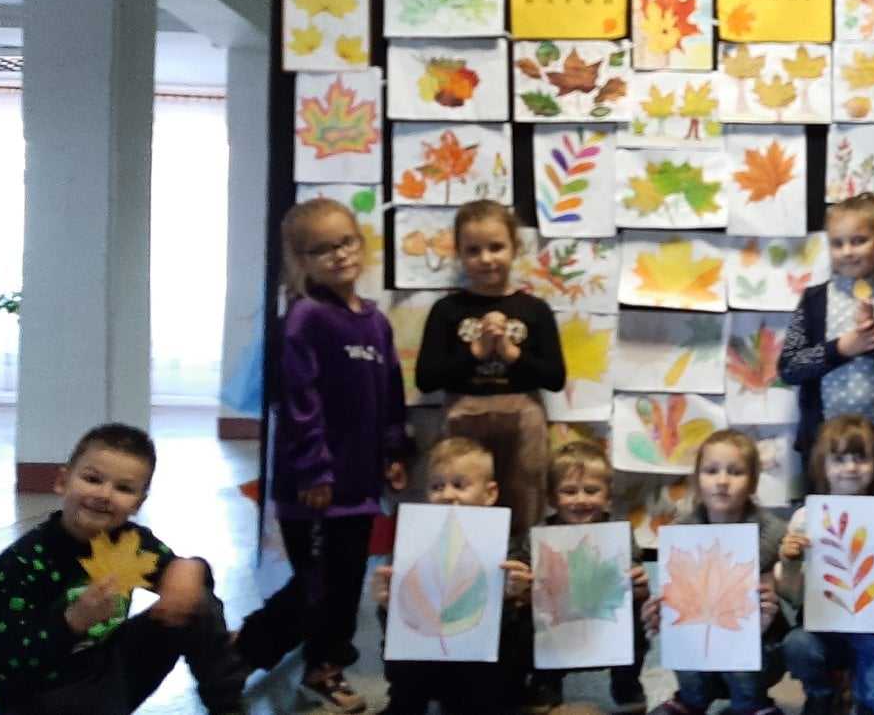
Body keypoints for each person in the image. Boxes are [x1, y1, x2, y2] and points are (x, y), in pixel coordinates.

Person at [235, 197, 410, 714]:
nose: (339, 254)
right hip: (312, 488)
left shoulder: (375, 322)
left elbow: (390, 393)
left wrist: (393, 451)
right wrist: (314, 469)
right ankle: (263, 659)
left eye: (346, 241)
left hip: (358, 486)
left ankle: (290, 659)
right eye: (322, 249)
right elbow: (299, 402)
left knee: (345, 584)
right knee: (315, 588)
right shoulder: (305, 319)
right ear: (301, 260)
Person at [0, 424, 245, 714]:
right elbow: (11, 662)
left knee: (196, 601)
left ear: (138, 503)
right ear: (62, 481)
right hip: (39, 693)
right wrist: (71, 622)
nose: (105, 494)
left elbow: (183, 583)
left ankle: (227, 707)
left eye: (123, 488)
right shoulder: (19, 565)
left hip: (108, 671)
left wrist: (190, 568)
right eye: (92, 479)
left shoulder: (131, 543)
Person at [416, 200, 564, 536]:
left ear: (515, 247)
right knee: (460, 517)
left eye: (496, 247)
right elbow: (427, 379)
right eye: (473, 250)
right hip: (462, 421)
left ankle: (518, 567)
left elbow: (555, 378)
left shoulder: (535, 309)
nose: (486, 259)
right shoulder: (447, 310)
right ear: (459, 253)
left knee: (523, 511)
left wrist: (511, 354)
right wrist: (476, 351)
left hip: (523, 425)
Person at [775, 415, 874, 715]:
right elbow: (793, 597)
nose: (850, 468)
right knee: (797, 646)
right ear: (822, 466)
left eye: (861, 458)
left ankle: (862, 690)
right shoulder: (806, 519)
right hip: (822, 628)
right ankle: (823, 691)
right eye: (839, 459)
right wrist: (790, 563)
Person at [371, 437, 535, 715]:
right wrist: (387, 604)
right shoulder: (412, 544)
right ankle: (406, 699)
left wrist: (514, 595)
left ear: (490, 494)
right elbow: (400, 622)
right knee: (404, 632)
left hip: (482, 667)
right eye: (437, 487)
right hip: (424, 662)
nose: (447, 494)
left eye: (459, 485)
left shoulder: (508, 547)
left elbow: (508, 624)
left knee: (523, 621)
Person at [779, 193, 874, 501]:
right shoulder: (814, 301)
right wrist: (841, 348)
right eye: (838, 243)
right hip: (825, 446)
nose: (847, 251)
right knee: (825, 524)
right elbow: (789, 368)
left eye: (858, 241)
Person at [641, 430, 788, 715]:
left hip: (762, 643)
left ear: (753, 482)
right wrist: (660, 614)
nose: (722, 481)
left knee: (741, 651)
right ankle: (691, 700)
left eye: (735, 472)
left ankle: (752, 704)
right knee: (685, 631)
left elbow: (787, 597)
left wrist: (771, 611)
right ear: (697, 480)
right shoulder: (681, 533)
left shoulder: (773, 534)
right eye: (711, 471)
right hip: (700, 643)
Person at [517, 441, 651, 715]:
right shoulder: (539, 536)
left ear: (608, 497)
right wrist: (522, 584)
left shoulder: (618, 534)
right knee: (523, 624)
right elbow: (522, 576)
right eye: (569, 491)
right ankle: (546, 681)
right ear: (552, 499)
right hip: (557, 616)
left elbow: (634, 572)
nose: (580, 500)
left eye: (591, 491)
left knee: (638, 617)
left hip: (603, 614)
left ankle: (625, 681)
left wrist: (639, 585)